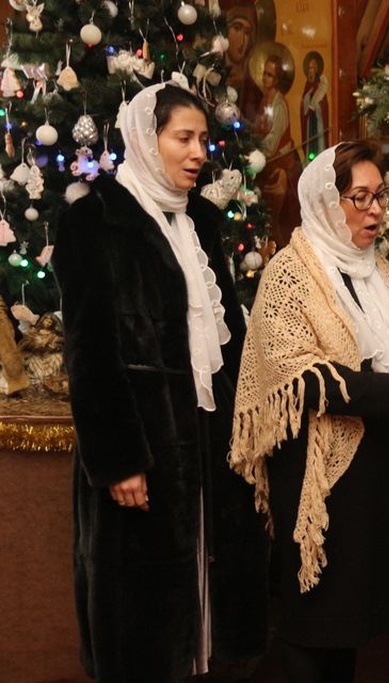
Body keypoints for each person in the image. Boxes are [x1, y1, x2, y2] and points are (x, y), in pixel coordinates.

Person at [53, 82, 267, 681]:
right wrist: (120, 460)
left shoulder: (201, 220)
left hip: (208, 449)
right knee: (141, 630)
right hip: (140, 451)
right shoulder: (94, 219)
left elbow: (225, 344)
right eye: (184, 138)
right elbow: (89, 355)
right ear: (148, 140)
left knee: (207, 617)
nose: (199, 152)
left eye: (203, 139)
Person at [228, 141, 389, 682]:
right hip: (315, 472)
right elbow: (298, 377)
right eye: (360, 197)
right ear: (328, 203)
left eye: (380, 196)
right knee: (313, 622)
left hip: (369, 470)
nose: (375, 210)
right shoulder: (289, 272)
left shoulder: (381, 272)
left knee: (348, 625)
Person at [253, 53, 303, 249]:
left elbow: (273, 140)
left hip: (279, 159)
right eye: (264, 74)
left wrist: (256, 149)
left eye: (270, 75)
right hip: (265, 159)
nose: (265, 79)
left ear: (277, 80)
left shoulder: (279, 104)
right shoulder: (264, 100)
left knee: (275, 221)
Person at [300, 51, 329, 161]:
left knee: (319, 146)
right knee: (310, 150)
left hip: (318, 122)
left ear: (317, 69)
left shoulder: (320, 85)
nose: (310, 71)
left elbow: (324, 106)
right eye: (309, 68)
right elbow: (303, 106)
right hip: (309, 122)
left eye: (312, 68)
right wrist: (308, 100)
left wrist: (317, 107)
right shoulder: (307, 87)